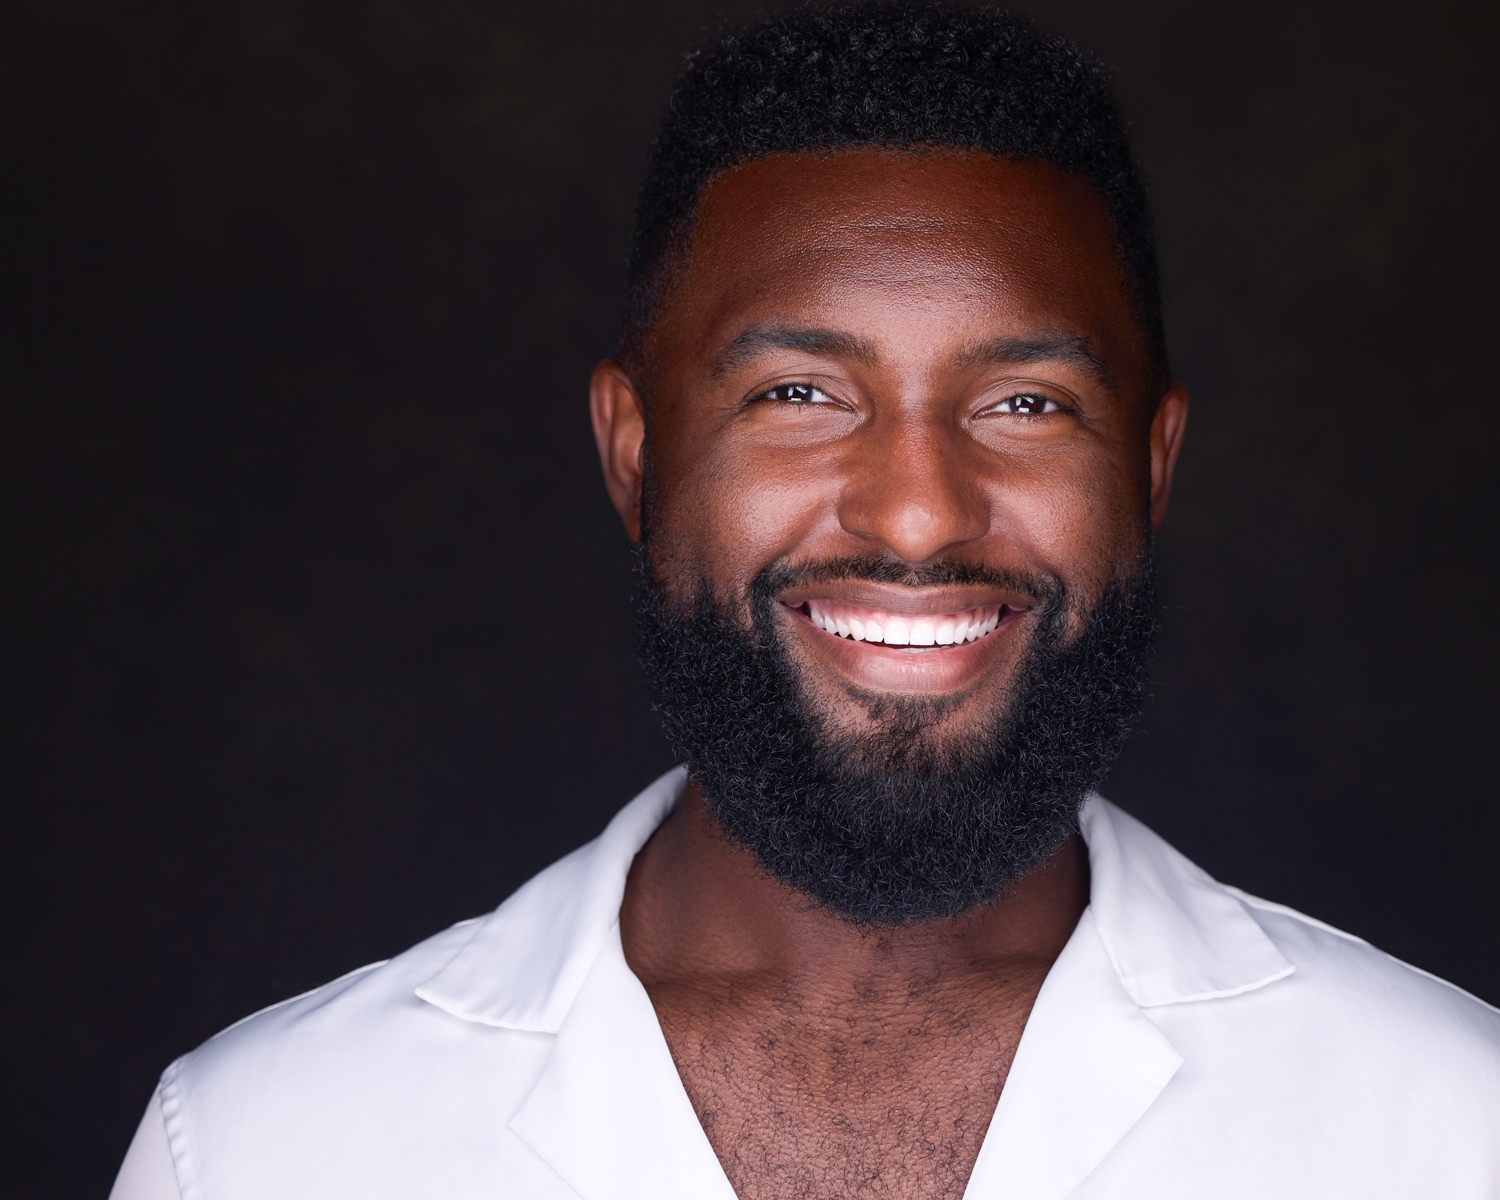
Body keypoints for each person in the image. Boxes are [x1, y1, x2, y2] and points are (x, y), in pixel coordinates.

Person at [110, 5, 1500, 1197]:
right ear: (636, 453)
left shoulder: (1445, 1127)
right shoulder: (264, 1149)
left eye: (1025, 403)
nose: (919, 512)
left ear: (1150, 465)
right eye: (800, 394)